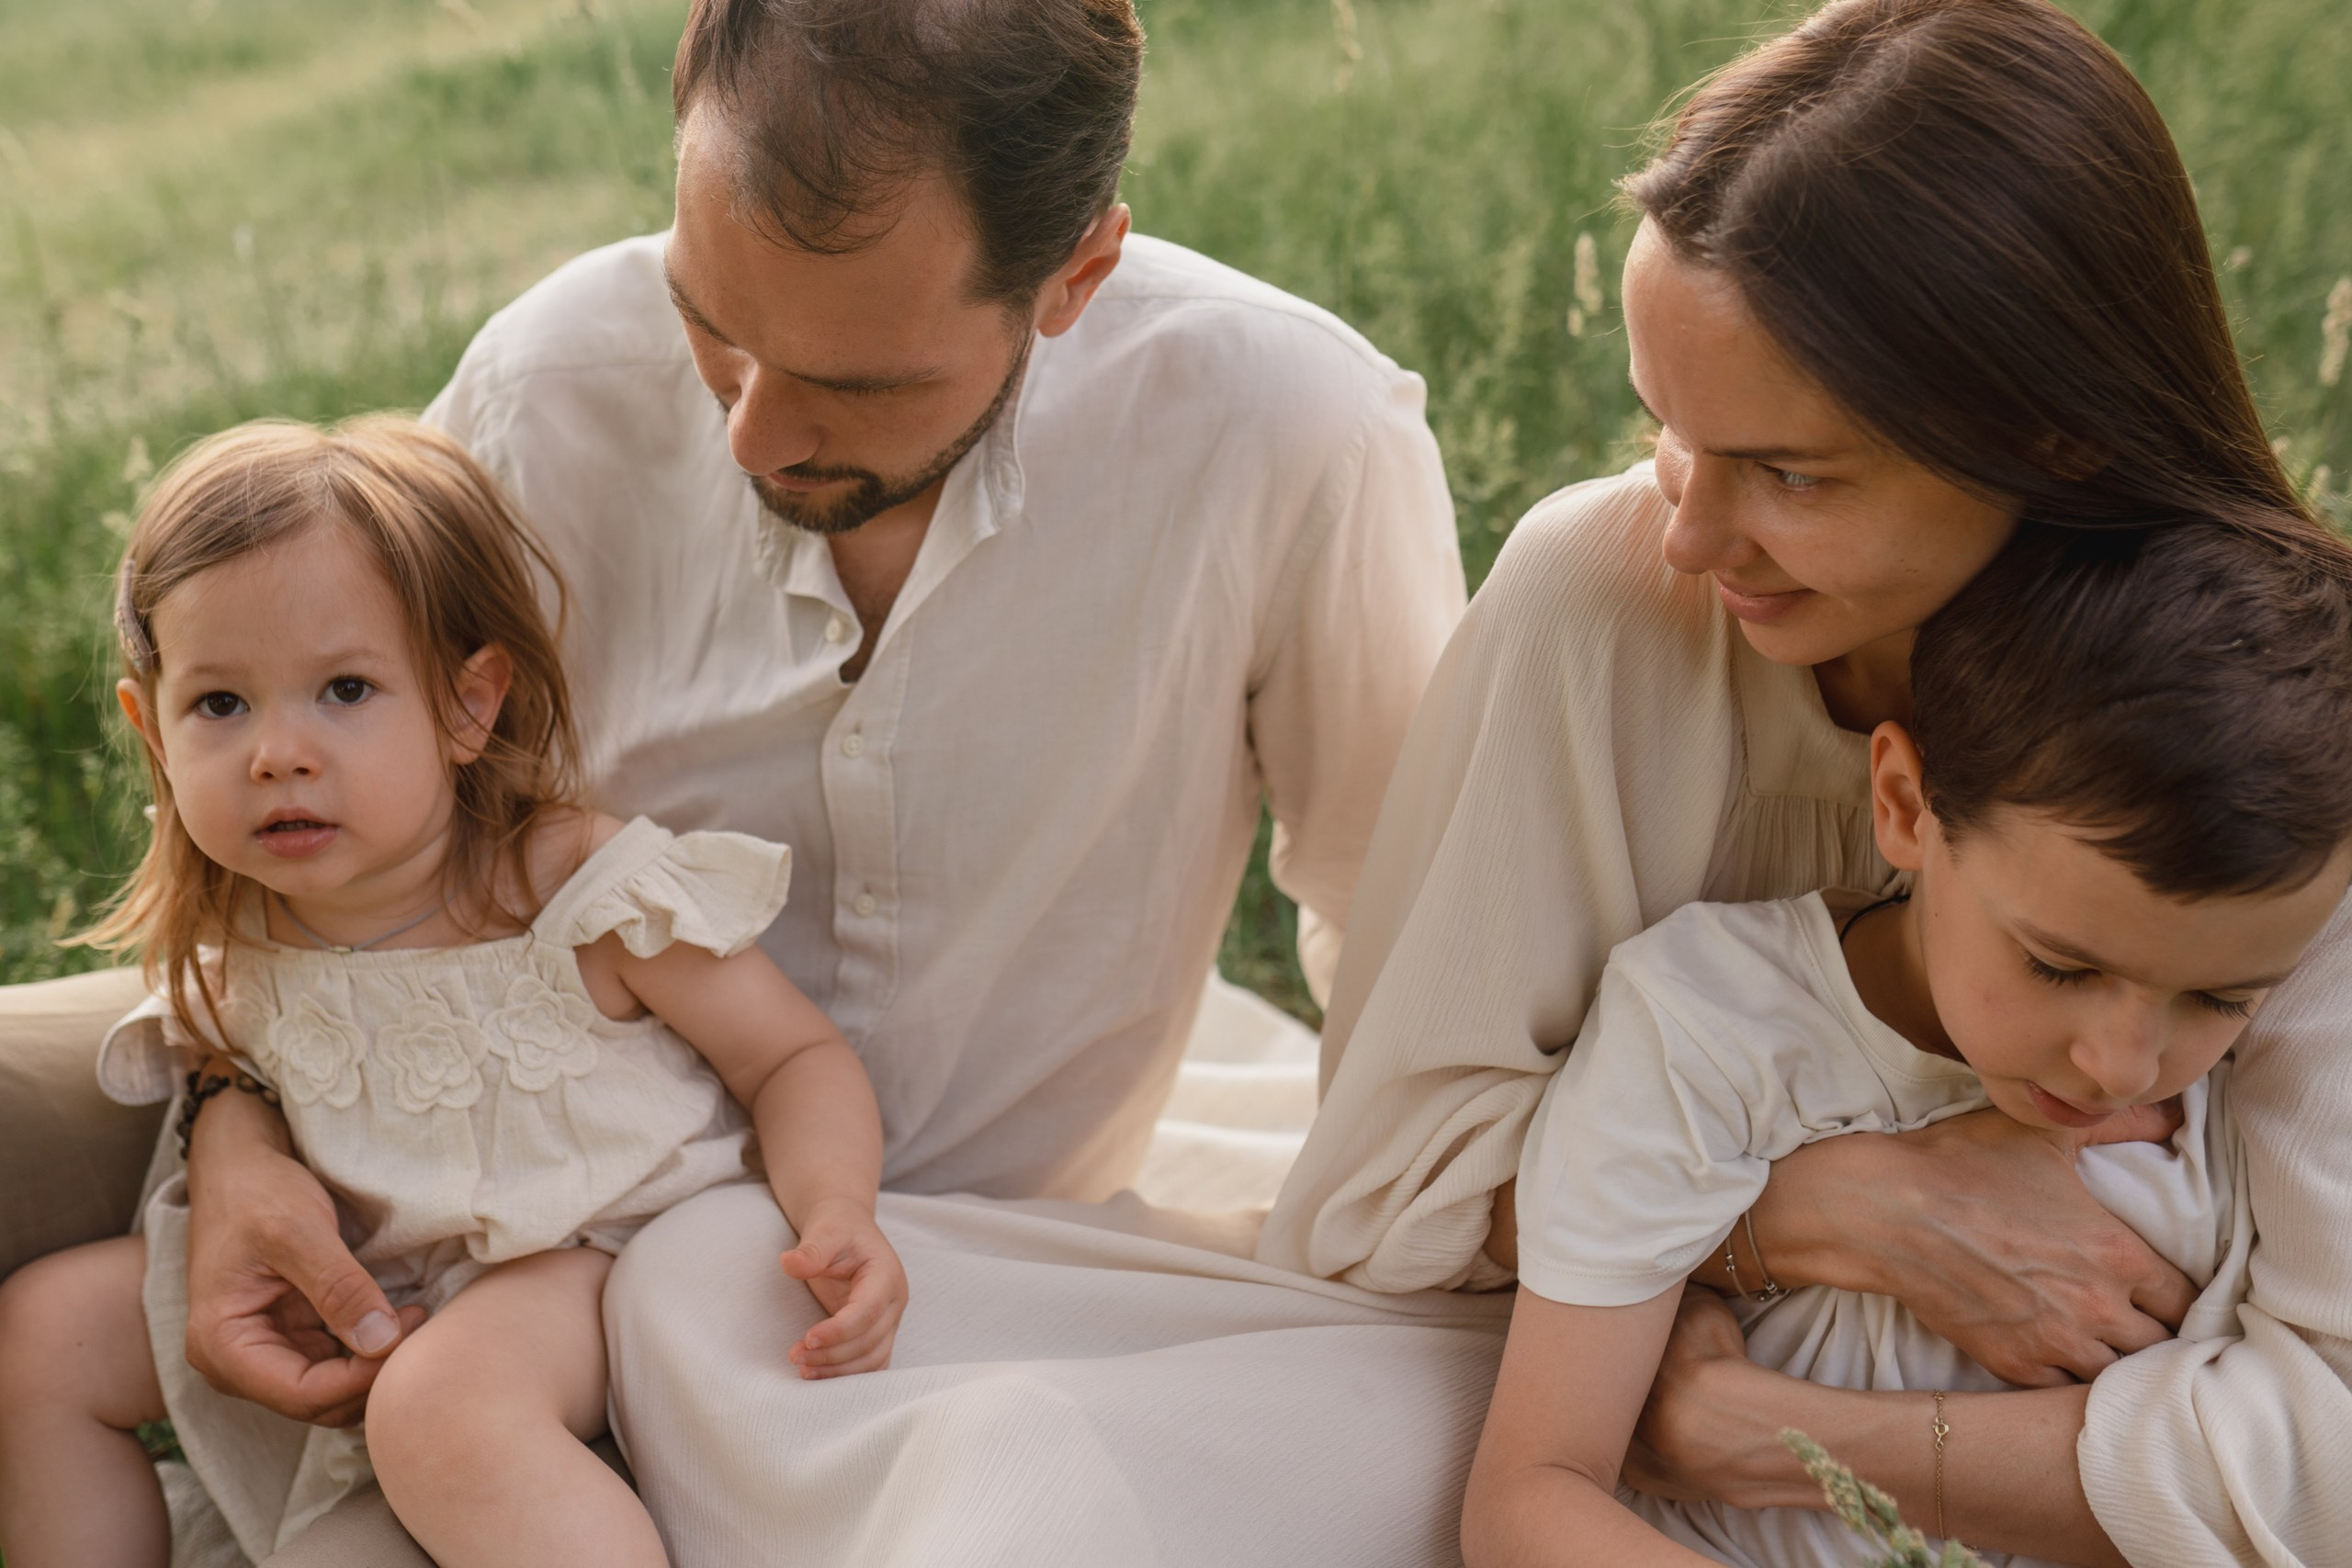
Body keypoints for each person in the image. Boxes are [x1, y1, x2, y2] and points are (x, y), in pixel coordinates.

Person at [0, 0, 1484, 1562]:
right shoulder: (553, 375)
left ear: (1076, 276)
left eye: (862, 382)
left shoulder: (1286, 431)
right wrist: (234, 1136)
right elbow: (310, 798)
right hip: (446, 1165)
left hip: (950, 1271)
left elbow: (1411, 938)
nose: (756, 431)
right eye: (713, 325)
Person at [1264, 0, 2352, 1560]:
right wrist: (1829, 1211)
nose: (1696, 534)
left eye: (1793, 473)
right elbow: (1370, 1199)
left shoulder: (2268, 731)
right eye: (1667, 428)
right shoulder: (1605, 596)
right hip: (1560, 1366)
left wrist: (1793, 1439)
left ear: (2047, 438)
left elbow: (2324, 1451)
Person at [0, 417, 908, 1568]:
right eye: (220, 706)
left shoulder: (577, 889)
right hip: (388, 1295)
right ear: (152, 729)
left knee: (439, 1411)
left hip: (602, 1258)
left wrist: (836, 1211)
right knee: (48, 1331)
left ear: (470, 703)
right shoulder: (239, 914)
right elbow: (245, 1079)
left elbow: (789, 1058)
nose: (277, 752)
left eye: (343, 689)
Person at [1464, 520, 2352, 1568]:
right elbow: (1530, 1500)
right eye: (2058, 967)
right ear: (1901, 805)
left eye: (2216, 998)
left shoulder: (2264, 1096)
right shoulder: (1704, 1029)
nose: (2121, 1066)